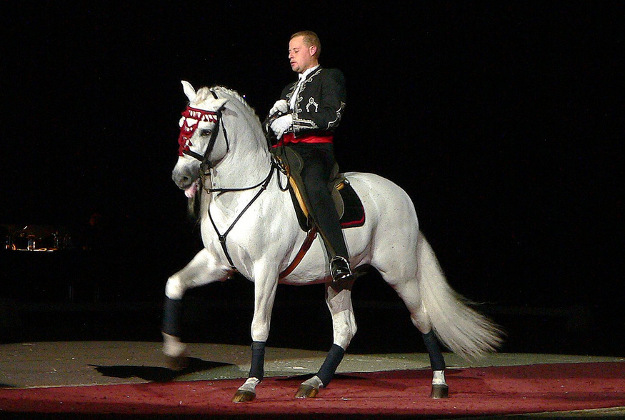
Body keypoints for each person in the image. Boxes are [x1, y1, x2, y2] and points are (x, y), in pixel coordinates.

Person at [267, 30, 352, 285]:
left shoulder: (330, 77)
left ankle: (339, 257)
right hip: (285, 152)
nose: (290, 56)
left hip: (316, 152)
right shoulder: (288, 88)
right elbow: (271, 129)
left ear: (312, 50)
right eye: (289, 51)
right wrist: (272, 117)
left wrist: (292, 121)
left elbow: (331, 117)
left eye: (295, 50)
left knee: (315, 187)